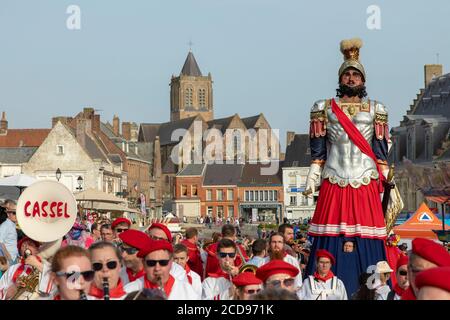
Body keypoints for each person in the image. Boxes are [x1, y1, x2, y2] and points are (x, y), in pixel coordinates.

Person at [305, 38, 398, 296]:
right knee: (330, 233)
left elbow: (380, 150)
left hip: (365, 177)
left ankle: (377, 290)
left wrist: (386, 174)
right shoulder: (322, 108)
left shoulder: (377, 109)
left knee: (368, 235)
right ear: (340, 78)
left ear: (363, 80)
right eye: (347, 74)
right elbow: (318, 147)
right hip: (334, 175)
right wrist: (313, 172)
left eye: (356, 74)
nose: (351, 78)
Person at [124, 239, 197, 300]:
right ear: (144, 263)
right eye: (151, 263)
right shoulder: (129, 290)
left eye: (163, 262)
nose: (157, 268)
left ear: (171, 263)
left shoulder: (187, 291)